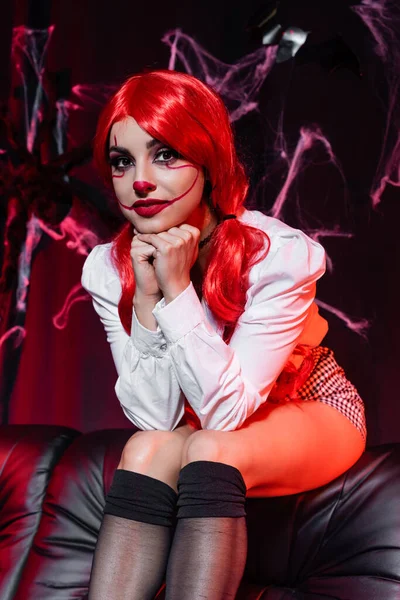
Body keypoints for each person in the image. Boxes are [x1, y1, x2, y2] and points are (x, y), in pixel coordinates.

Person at [81, 69, 366, 600]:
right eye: (123, 161)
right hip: (199, 420)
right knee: (144, 449)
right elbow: (154, 419)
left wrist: (177, 292)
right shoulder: (107, 267)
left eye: (165, 154)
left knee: (212, 449)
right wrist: (146, 300)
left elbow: (224, 415)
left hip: (308, 403)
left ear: (207, 161)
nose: (140, 179)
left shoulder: (276, 255)